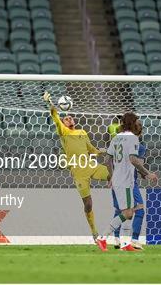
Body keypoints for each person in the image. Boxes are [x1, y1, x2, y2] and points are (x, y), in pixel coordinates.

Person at [43, 91, 109, 241]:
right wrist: (50, 104)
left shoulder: (82, 132)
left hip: (91, 165)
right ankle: (94, 232)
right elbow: (55, 117)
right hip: (78, 171)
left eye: (69, 117)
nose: (68, 118)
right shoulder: (63, 132)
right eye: (65, 118)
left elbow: (91, 149)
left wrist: (103, 151)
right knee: (88, 204)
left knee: (114, 174)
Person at [96, 112, 157, 252]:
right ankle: (102, 237)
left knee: (127, 211)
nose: (138, 124)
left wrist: (111, 176)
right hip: (126, 180)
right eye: (137, 121)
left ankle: (125, 243)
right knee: (128, 213)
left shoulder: (116, 138)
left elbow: (107, 160)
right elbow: (133, 160)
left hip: (117, 179)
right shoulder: (133, 139)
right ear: (132, 123)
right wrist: (148, 174)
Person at [112, 118, 146, 250]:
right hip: (129, 182)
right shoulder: (140, 147)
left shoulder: (118, 142)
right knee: (140, 210)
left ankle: (116, 239)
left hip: (116, 180)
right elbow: (138, 165)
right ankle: (135, 240)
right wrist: (146, 174)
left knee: (120, 210)